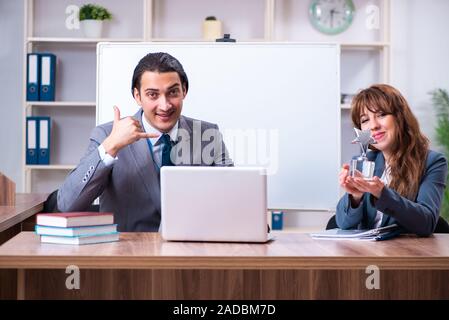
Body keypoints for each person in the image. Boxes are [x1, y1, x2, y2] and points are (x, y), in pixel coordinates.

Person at [57, 52, 233, 231]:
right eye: (153, 95)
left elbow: (232, 197)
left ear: (184, 91)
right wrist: (110, 146)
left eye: (173, 92)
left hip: (191, 250)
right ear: (137, 96)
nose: (165, 106)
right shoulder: (107, 135)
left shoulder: (208, 134)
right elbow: (67, 204)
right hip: (129, 253)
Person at [336, 84, 448, 236]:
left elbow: (426, 223)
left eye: (381, 114)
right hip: (365, 254)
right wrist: (355, 197)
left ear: (400, 117)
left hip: (405, 255)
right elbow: (342, 224)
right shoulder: (366, 161)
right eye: (365, 120)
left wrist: (382, 194)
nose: (373, 126)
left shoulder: (432, 162)